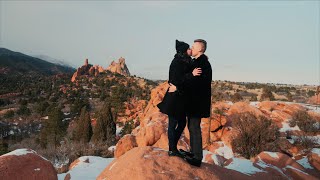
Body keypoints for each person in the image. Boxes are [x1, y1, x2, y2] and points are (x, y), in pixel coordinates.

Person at [169, 39, 212, 167]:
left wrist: (178, 87)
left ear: (200, 49)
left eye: (193, 47)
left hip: (197, 102)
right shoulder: (198, 61)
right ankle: (193, 153)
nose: (191, 49)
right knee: (192, 127)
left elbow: (194, 83)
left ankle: (197, 157)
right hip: (195, 102)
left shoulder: (201, 63)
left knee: (194, 128)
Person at [157, 40, 193, 158]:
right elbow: (174, 79)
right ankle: (172, 149)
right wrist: (190, 75)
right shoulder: (177, 62)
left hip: (181, 97)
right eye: (188, 49)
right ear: (183, 51)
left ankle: (173, 147)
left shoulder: (186, 61)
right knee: (173, 123)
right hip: (175, 97)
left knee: (182, 123)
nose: (190, 50)